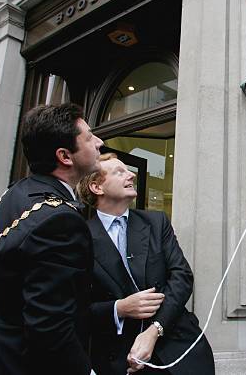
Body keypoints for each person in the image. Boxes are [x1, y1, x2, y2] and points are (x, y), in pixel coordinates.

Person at [0, 103, 103, 375]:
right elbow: (50, 324)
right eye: (88, 137)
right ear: (64, 156)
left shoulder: (10, 197)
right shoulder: (60, 220)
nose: (99, 142)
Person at [77, 153, 214, 375]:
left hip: (180, 350)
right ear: (96, 187)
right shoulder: (79, 236)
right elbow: (75, 307)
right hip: (121, 359)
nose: (131, 174)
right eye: (119, 171)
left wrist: (154, 331)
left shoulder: (157, 222)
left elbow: (182, 277)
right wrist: (119, 308)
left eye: (128, 170)